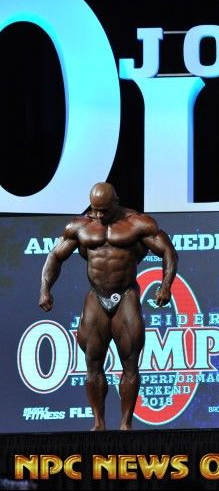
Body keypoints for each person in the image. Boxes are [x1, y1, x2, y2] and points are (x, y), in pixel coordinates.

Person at [38, 182, 177, 431]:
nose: (99, 215)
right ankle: (98, 423)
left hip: (126, 295)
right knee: (92, 361)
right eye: (95, 209)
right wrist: (45, 289)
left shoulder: (138, 223)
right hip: (96, 296)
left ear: (116, 201)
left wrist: (166, 285)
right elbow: (55, 256)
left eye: (104, 210)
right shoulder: (80, 226)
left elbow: (168, 251)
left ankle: (125, 424)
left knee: (130, 362)